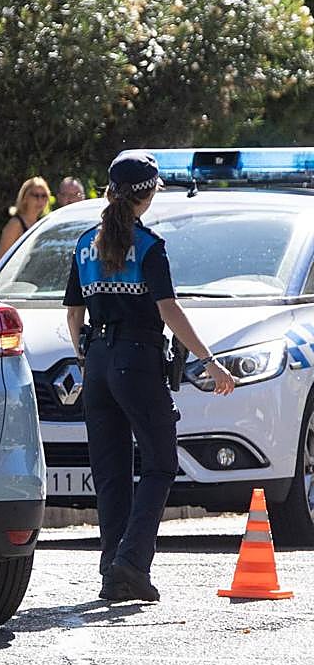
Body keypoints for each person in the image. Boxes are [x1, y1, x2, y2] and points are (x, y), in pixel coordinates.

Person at [63, 150, 235, 603]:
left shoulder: (85, 243)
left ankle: (111, 573)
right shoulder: (150, 246)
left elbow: (73, 313)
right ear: (148, 194)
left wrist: (86, 355)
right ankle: (132, 562)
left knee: (111, 474)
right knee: (160, 462)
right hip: (136, 360)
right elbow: (169, 310)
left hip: (96, 363)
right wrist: (210, 360)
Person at [0, 176, 51, 262]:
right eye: (36, 195)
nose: (40, 200)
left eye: (44, 196)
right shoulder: (15, 224)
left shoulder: (43, 223)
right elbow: (0, 260)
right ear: (25, 198)